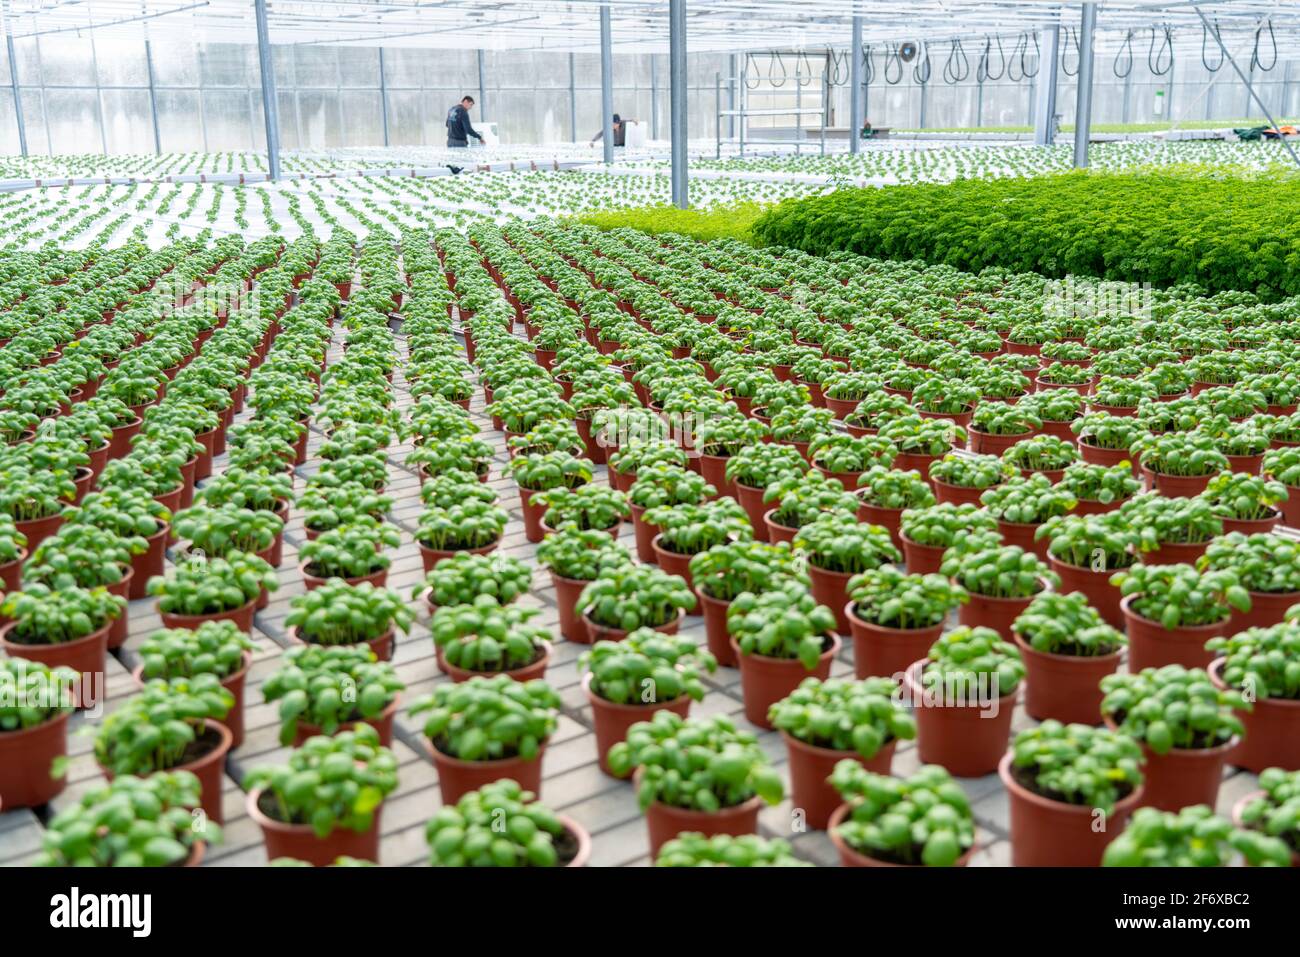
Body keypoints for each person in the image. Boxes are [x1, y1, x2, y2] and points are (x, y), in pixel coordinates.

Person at [446, 95, 483, 174]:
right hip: (459, 142)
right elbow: (468, 129)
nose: (470, 107)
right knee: (462, 165)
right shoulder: (463, 111)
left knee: (453, 165)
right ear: (465, 101)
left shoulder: (451, 109)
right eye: (470, 104)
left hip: (450, 141)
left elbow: (447, 124)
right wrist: (479, 137)